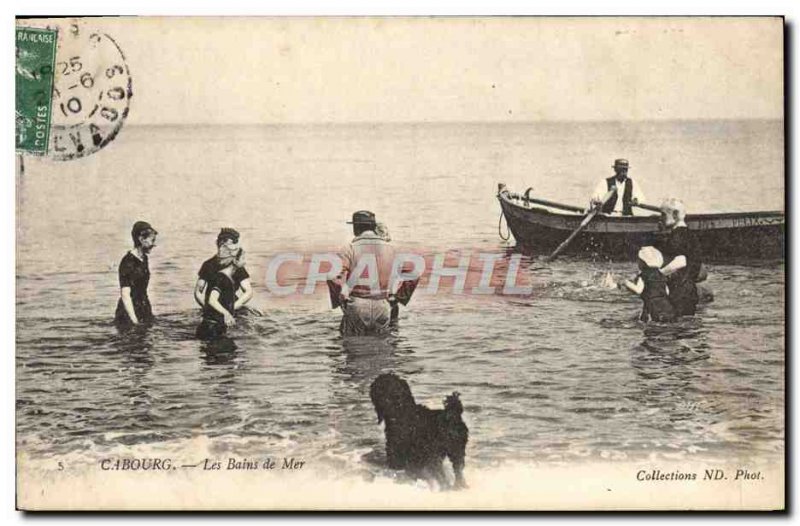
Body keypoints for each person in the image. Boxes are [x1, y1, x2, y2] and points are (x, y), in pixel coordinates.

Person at [333, 211, 402, 336]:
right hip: (382, 305)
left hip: (357, 304)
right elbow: (407, 276)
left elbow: (334, 277)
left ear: (356, 228)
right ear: (373, 226)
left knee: (352, 347)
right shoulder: (391, 249)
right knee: (382, 347)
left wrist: (341, 299)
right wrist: (393, 296)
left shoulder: (349, 248)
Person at [656, 198, 703, 316]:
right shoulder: (691, 236)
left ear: (675, 214)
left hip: (679, 292)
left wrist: (656, 276)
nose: (660, 218)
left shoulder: (677, 236)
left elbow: (680, 261)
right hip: (690, 291)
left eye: (663, 214)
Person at [194, 228, 254, 314]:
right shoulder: (208, 265)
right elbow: (198, 292)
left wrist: (235, 307)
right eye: (225, 245)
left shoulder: (236, 265)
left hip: (231, 306)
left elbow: (248, 291)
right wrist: (207, 308)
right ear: (219, 244)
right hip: (212, 306)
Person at [114, 221, 157, 328]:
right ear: (141, 239)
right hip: (129, 312)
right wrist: (134, 321)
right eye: (152, 241)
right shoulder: (128, 262)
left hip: (143, 306)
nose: (153, 245)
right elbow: (125, 295)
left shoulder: (144, 259)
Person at [196, 248, 245, 340]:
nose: (245, 262)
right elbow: (212, 300)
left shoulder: (227, 278)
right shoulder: (221, 278)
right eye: (243, 259)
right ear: (235, 260)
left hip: (215, 327)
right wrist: (226, 314)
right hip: (210, 329)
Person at [619, 246, 677, 323]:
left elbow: (638, 290)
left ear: (643, 263)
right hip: (667, 307)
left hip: (652, 307)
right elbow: (667, 291)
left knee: (650, 328)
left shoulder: (643, 275)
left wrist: (626, 282)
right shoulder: (661, 275)